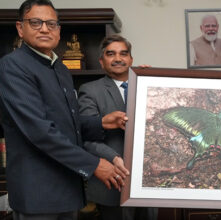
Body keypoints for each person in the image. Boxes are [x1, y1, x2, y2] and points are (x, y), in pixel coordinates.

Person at [0, 0, 129, 219]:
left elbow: (69, 123)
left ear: (59, 31)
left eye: (51, 23)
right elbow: (40, 131)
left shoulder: (60, 68)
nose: (44, 28)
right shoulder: (13, 66)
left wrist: (102, 122)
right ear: (20, 28)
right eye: (35, 22)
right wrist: (95, 164)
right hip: (38, 195)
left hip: (68, 188)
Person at [78, 35, 158, 220]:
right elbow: (86, 137)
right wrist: (113, 158)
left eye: (124, 53)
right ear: (101, 61)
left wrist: (154, 81)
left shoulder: (148, 85)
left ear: (131, 59)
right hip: (113, 180)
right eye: (111, 54)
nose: (118, 58)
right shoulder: (90, 90)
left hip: (149, 180)